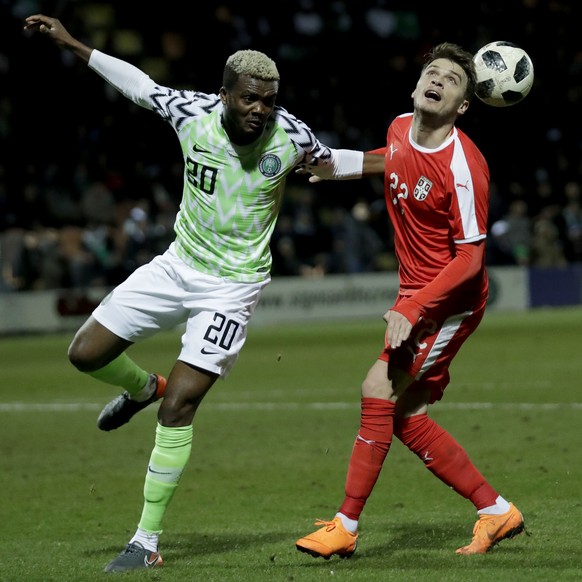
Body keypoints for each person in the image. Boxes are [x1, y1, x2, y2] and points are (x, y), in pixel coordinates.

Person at [23, 13, 378, 573]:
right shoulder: (192, 113)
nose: (261, 109)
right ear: (225, 95)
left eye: (269, 100)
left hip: (232, 287)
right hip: (176, 266)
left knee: (179, 406)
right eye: (250, 99)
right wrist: (72, 42)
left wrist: (399, 158)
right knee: (84, 354)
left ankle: (145, 540)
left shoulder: (291, 134)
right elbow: (139, 85)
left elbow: (329, 163)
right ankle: (140, 387)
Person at [295, 42, 525, 559]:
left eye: (452, 80)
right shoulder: (400, 126)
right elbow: (392, 160)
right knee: (405, 417)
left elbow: (469, 258)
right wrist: (338, 168)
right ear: (417, 83)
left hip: (448, 303)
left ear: (464, 106)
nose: (438, 79)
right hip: (417, 297)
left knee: (377, 388)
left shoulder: (466, 167)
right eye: (432, 71)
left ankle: (346, 525)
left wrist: (414, 308)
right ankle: (496, 511)